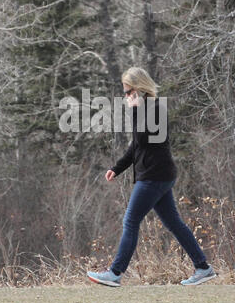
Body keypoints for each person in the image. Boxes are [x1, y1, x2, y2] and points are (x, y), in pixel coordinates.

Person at [87, 67, 216, 287]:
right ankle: (203, 268)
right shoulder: (145, 108)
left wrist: (136, 110)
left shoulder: (156, 108)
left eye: (128, 92)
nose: (126, 96)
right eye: (125, 93)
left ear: (139, 89)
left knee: (130, 221)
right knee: (174, 223)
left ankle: (115, 273)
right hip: (158, 176)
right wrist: (117, 168)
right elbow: (135, 146)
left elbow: (145, 139)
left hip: (155, 177)